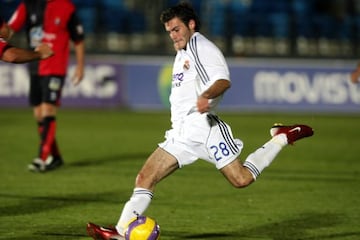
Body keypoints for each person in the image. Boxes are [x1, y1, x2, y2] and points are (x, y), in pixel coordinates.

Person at [86, 2, 314, 240]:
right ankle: (121, 232)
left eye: (176, 30)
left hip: (205, 130)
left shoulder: (200, 46)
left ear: (191, 24)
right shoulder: (183, 51)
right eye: (169, 32)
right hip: (182, 133)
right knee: (145, 177)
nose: (173, 36)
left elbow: (223, 80)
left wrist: (206, 96)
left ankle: (281, 137)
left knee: (241, 179)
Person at [7, 0, 85, 172]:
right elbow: (9, 29)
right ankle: (55, 157)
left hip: (55, 66)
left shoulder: (66, 7)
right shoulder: (28, 5)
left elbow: (78, 39)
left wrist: (80, 66)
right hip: (35, 65)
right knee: (39, 115)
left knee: (47, 111)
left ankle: (42, 157)